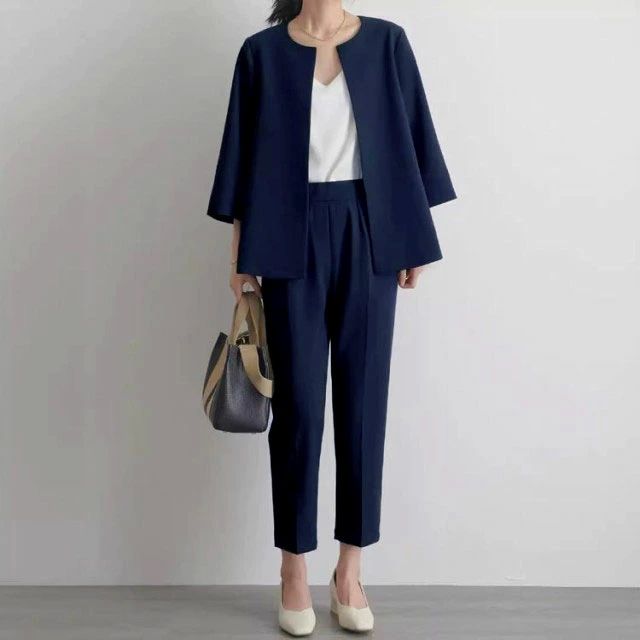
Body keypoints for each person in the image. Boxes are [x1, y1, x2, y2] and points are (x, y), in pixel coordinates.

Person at [206, 0, 456, 634]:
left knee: (363, 402)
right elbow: (242, 158)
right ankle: (293, 568)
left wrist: (408, 240)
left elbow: (412, 141)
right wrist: (239, 259)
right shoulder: (262, 54)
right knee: (298, 409)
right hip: (287, 236)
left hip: (369, 232)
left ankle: (350, 570)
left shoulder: (387, 43)